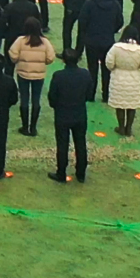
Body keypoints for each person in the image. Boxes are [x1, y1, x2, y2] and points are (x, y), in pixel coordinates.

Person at [45, 48, 92, 183]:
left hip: (62, 114)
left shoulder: (58, 75)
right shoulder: (85, 74)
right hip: (79, 113)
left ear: (64, 60)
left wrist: (57, 106)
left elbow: (52, 96)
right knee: (81, 143)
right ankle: (81, 173)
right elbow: (89, 94)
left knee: (62, 144)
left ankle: (61, 173)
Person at [6, 17, 53, 136]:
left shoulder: (20, 40)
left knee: (24, 99)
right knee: (36, 100)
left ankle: (25, 126)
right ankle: (33, 127)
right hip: (39, 75)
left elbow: (13, 55)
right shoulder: (45, 41)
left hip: (23, 74)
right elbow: (50, 58)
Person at [105, 28, 140, 136]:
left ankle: (121, 127)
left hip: (118, 77)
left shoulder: (116, 47)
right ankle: (129, 128)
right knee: (132, 105)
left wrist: (115, 68)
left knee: (120, 104)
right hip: (134, 78)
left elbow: (109, 62)